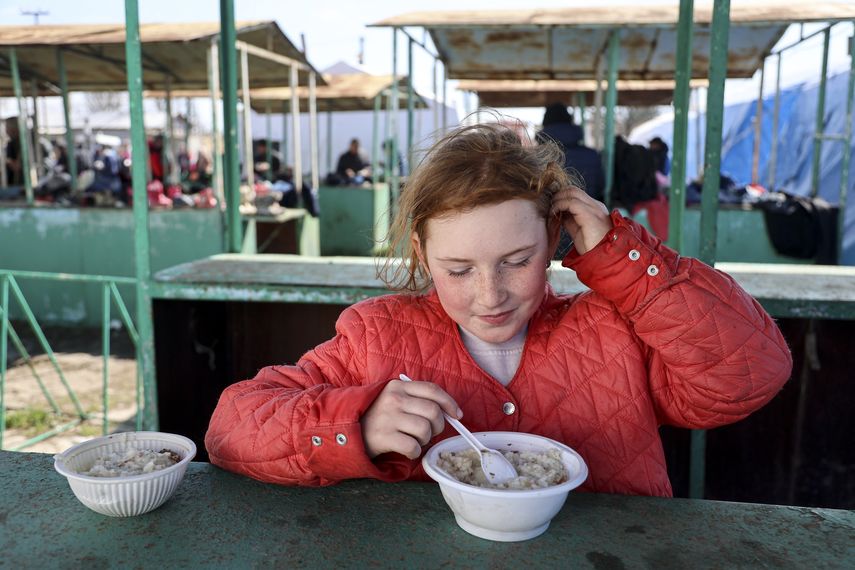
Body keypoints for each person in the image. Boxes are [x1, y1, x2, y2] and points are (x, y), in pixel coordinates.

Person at [205, 122, 791, 496]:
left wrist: (627, 260)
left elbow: (748, 374)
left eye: (516, 260)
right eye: (459, 270)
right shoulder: (373, 336)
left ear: (557, 238)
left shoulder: (617, 327)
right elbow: (232, 428)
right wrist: (352, 423)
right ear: (421, 253)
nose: (490, 295)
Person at [536, 103, 604, 202]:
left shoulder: (537, 157)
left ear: (545, 124)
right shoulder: (592, 155)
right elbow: (600, 187)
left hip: (550, 215)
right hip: (588, 212)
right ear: (570, 122)